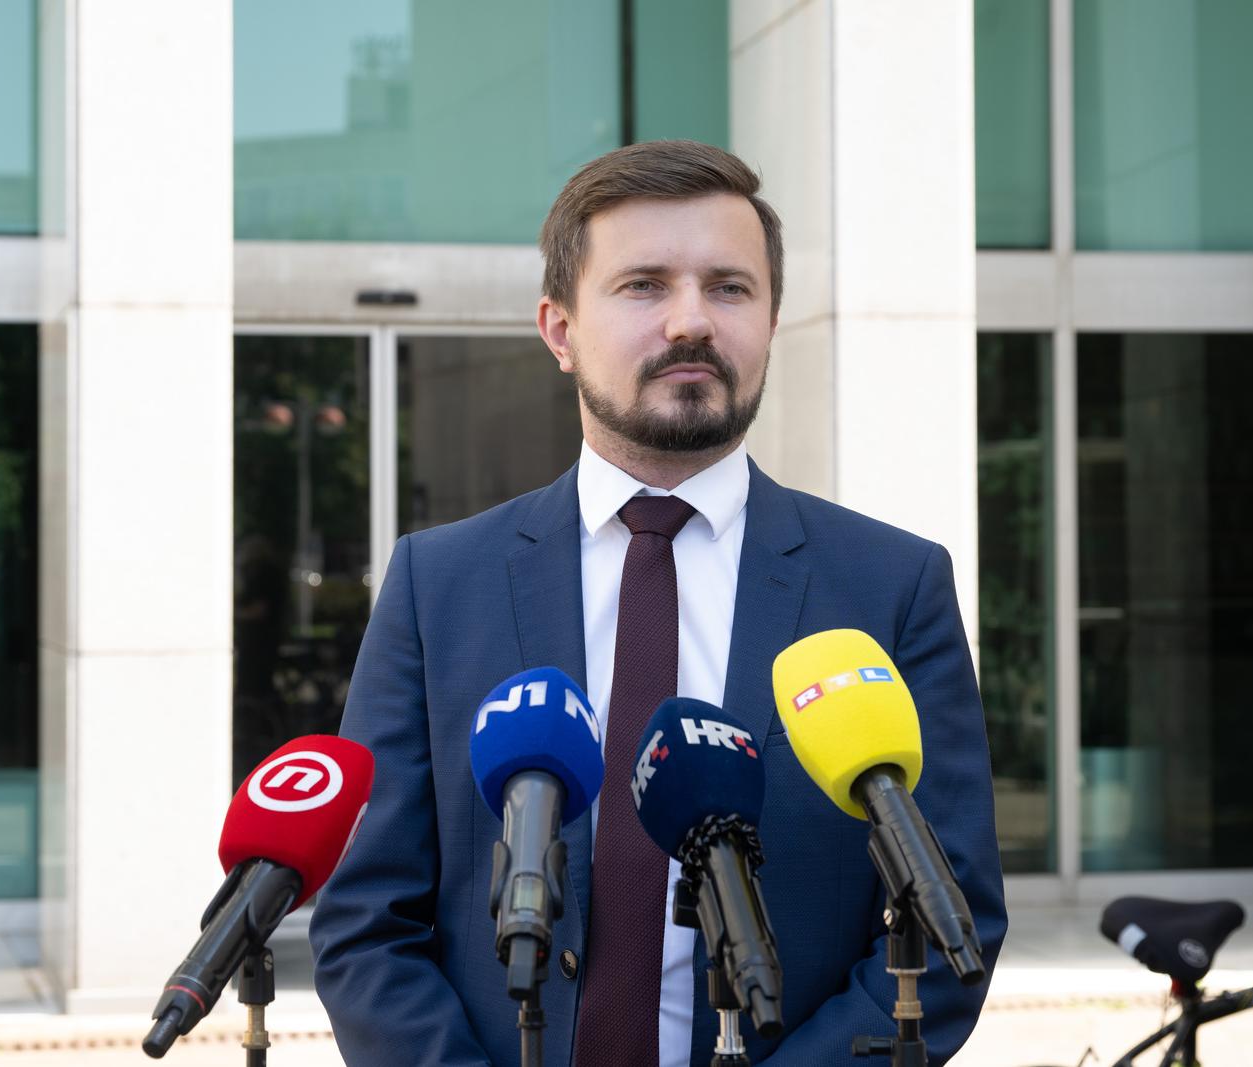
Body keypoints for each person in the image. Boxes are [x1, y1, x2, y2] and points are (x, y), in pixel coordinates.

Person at [310, 140, 1007, 1066]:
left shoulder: (891, 586)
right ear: (559, 329)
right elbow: (367, 925)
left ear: (769, 318)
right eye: (644, 286)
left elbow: (948, 917)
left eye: (729, 288)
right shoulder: (438, 586)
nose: (691, 322)